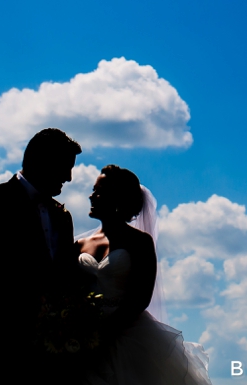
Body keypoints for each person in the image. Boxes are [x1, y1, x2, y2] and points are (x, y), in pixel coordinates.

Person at [0, 128, 83, 384]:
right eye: (64, 167)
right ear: (40, 162)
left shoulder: (62, 217)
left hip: (50, 359)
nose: (68, 177)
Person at [76, 165, 210, 385]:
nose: (92, 196)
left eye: (99, 191)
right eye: (93, 189)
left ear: (117, 197)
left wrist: (104, 333)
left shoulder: (139, 242)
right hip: (83, 336)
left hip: (127, 335)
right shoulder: (78, 244)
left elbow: (141, 298)